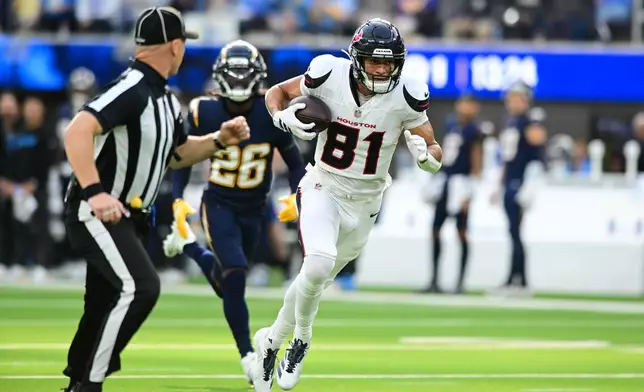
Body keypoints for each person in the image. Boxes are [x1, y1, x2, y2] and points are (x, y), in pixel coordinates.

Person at [60, 7, 250, 392]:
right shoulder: (132, 88)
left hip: (127, 217)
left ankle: (78, 381)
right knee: (142, 287)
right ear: (175, 46)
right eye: (183, 46)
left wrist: (219, 140)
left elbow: (176, 153)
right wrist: (96, 192)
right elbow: (77, 130)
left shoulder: (164, 98)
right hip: (99, 212)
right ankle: (90, 385)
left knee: (102, 303)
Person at [251, 18, 443, 391]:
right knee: (318, 262)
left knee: (314, 279)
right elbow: (276, 93)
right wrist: (281, 117)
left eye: (389, 63)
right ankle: (302, 339)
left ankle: (271, 340)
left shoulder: (407, 95)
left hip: (368, 201)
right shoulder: (327, 74)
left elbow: (433, 147)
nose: (382, 69)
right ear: (357, 59)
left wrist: (429, 158)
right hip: (324, 184)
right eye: (375, 61)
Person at [162, 40, 305, 383]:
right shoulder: (203, 110)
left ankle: (189, 248)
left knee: (229, 281)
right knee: (237, 274)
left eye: (245, 75)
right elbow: (182, 157)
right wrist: (178, 197)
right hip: (220, 203)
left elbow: (296, 163)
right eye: (234, 75)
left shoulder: (271, 113)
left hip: (256, 208)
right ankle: (249, 357)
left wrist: (296, 196)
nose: (240, 81)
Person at [422, 93, 482, 294]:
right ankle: (434, 280)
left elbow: (476, 159)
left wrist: (471, 188)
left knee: (461, 232)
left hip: (461, 183)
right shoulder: (452, 126)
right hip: (446, 181)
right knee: (435, 230)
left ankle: (460, 283)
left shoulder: (475, 130)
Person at [493, 81, 547, 296]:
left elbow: (537, 142)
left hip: (523, 179)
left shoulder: (530, 120)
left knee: (516, 231)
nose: (512, 102)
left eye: (516, 97)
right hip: (511, 178)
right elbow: (507, 157)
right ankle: (515, 279)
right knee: (512, 231)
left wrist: (531, 182)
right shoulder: (511, 122)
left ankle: (519, 280)